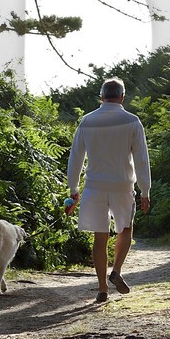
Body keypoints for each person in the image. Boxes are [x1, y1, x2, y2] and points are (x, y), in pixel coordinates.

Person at [66, 77, 152, 304]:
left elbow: (76, 158)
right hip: (122, 185)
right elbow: (142, 160)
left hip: (95, 186)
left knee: (99, 236)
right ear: (122, 97)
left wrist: (73, 189)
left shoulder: (87, 121)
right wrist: (145, 190)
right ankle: (117, 271)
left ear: (101, 97)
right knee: (125, 228)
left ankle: (102, 288)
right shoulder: (132, 121)